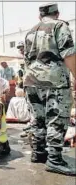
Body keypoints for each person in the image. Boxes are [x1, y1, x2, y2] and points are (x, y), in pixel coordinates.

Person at [24, 3, 76, 175]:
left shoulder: (30, 31)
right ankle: (54, 160)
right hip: (54, 81)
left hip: (31, 80)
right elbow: (68, 53)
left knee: (37, 118)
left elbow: (26, 59)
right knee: (56, 118)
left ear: (40, 16)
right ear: (57, 13)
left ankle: (38, 153)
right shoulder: (60, 26)